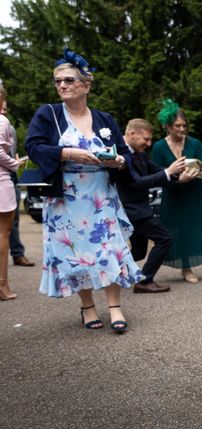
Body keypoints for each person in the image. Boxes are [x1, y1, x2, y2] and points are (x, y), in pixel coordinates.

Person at [25, 48, 143, 332]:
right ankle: (87, 307)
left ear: (86, 85)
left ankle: (114, 305)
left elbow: (127, 154)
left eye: (68, 80)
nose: (62, 85)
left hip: (101, 197)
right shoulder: (49, 113)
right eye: (58, 81)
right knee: (76, 255)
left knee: (110, 250)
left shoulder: (105, 119)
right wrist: (67, 153)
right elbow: (33, 147)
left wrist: (119, 161)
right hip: (66, 200)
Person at [151, 99, 202, 283]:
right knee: (180, 232)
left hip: (196, 194)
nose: (182, 129)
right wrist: (179, 180)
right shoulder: (158, 147)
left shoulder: (195, 143)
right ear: (168, 126)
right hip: (174, 196)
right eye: (177, 126)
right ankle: (186, 268)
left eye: (184, 125)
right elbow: (157, 176)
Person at [117, 118, 187, 293]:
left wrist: (179, 173)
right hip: (133, 210)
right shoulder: (120, 154)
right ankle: (144, 281)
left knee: (139, 252)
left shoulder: (138, 153)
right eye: (146, 139)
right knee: (164, 238)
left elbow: (155, 169)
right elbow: (138, 182)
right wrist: (168, 172)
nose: (149, 143)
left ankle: (111, 273)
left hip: (138, 209)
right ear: (132, 134)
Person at [0, 98, 34, 267]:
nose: (4, 111)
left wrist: (14, 161)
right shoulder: (4, 124)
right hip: (4, 175)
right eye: (2, 107)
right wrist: (14, 163)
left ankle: (17, 253)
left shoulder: (9, 128)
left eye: (6, 108)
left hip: (10, 176)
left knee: (13, 220)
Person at [0, 86, 23, 300]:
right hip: (1, 182)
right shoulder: (2, 121)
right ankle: (2, 285)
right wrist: (15, 163)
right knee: (2, 233)